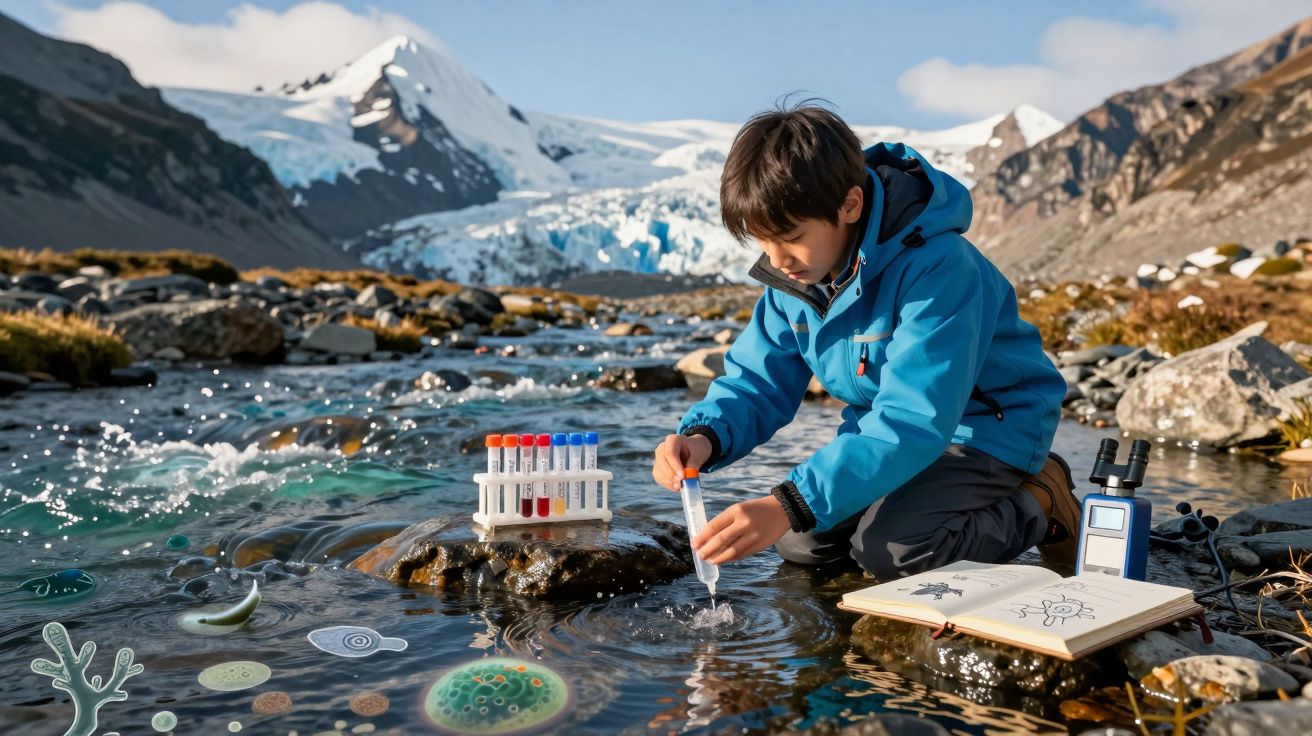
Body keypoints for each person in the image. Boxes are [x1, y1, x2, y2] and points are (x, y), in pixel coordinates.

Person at [650, 99, 1080, 579]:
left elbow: (915, 416)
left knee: (895, 551)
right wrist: (703, 437)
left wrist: (788, 502)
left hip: (986, 429)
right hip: (889, 431)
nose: (777, 259)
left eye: (790, 236)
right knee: (801, 543)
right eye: (762, 242)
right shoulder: (795, 281)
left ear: (850, 204)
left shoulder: (940, 267)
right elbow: (756, 382)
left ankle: (1041, 501)